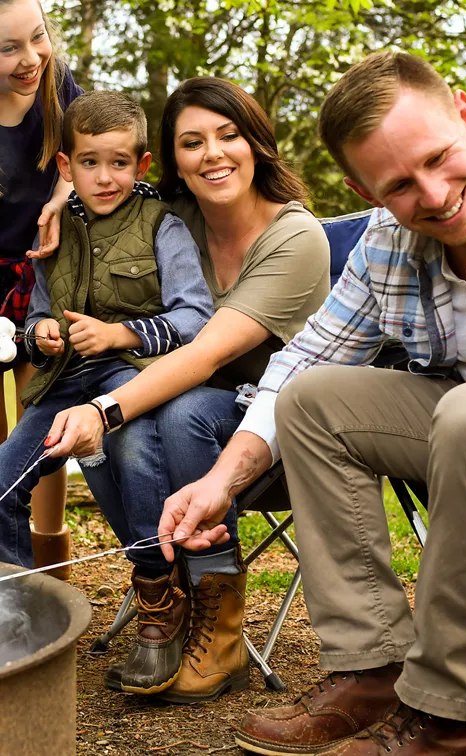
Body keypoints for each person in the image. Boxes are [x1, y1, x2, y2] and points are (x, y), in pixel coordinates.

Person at [127, 52, 466, 754]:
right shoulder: (387, 241)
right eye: (399, 185)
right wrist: (219, 482)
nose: (435, 194)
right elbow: (301, 360)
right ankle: (372, 669)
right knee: (311, 399)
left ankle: (453, 719)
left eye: (439, 157)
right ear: (363, 189)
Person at [44, 77, 332, 702]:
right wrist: (59, 194)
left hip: (286, 426)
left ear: (256, 142)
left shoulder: (295, 237)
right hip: (187, 406)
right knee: (129, 430)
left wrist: (103, 407)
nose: (214, 154)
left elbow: (203, 357)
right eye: (193, 142)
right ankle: (162, 593)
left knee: (166, 417)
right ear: (173, 161)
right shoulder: (174, 226)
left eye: (229, 135)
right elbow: (101, 182)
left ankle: (218, 620)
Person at [0, 86, 213, 670]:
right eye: (89, 163)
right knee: (1, 483)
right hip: (66, 383)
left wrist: (121, 334)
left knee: (134, 450)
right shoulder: (57, 231)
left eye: (119, 162)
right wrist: (40, 334)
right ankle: (22, 619)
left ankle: (157, 600)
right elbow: (38, 314)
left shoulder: (162, 226)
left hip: (134, 375)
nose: (105, 177)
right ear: (67, 166)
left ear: (141, 164)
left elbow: (196, 317)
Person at [0, 0, 83, 579]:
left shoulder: (56, 83)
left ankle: (50, 558)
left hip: (40, 266)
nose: (31, 59)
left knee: (41, 415)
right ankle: (4, 566)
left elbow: (79, 153)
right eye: (8, 48)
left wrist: (62, 194)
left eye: (38, 38)